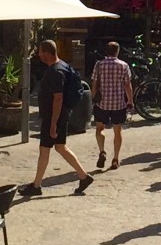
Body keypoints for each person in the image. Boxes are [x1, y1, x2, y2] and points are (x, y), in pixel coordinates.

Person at [18, 40, 93, 197]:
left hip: (54, 116)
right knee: (60, 147)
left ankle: (36, 185)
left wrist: (53, 124)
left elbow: (58, 98)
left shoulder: (56, 72)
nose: (39, 55)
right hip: (60, 115)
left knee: (45, 149)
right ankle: (83, 177)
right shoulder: (63, 66)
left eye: (40, 52)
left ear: (47, 52)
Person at [90, 40, 133, 169]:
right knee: (117, 131)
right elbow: (127, 84)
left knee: (99, 129)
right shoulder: (124, 65)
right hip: (118, 103)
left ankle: (102, 151)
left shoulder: (99, 65)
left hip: (102, 102)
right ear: (117, 51)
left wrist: (93, 97)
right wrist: (130, 100)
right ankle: (115, 158)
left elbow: (94, 82)